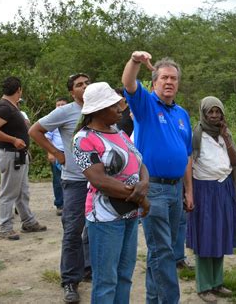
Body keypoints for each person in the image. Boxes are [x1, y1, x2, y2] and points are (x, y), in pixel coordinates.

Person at [122, 51, 194, 304]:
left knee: (165, 251)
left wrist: (188, 191)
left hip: (175, 191)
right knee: (162, 251)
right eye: (164, 77)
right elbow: (129, 84)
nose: (169, 82)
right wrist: (135, 61)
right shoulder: (145, 106)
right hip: (153, 190)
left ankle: (155, 300)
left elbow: (186, 157)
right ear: (154, 83)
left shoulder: (182, 114)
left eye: (173, 78)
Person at [73, 82, 151, 303]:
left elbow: (138, 160)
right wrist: (141, 198)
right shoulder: (83, 139)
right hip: (105, 218)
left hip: (129, 214)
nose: (120, 109)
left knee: (124, 276)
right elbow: (99, 180)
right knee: (106, 281)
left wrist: (144, 182)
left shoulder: (118, 131)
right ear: (98, 110)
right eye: (114, 106)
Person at [29, 73, 92, 303]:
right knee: (73, 230)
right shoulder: (66, 112)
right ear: (71, 92)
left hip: (99, 182)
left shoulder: (99, 108)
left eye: (87, 83)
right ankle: (69, 281)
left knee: (94, 228)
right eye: (79, 85)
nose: (85, 87)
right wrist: (57, 154)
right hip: (75, 181)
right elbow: (35, 130)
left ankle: (87, 268)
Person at [186, 96, 236, 303]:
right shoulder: (195, 135)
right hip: (204, 189)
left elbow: (235, 161)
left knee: (220, 234)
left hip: (224, 188)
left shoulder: (224, 134)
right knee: (205, 236)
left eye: (218, 112)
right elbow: (189, 164)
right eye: (211, 112)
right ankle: (204, 286)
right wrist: (188, 193)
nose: (215, 116)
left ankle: (217, 283)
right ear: (203, 113)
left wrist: (226, 138)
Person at [0, 76, 47, 240]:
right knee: (8, 193)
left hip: (17, 155)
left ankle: (28, 221)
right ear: (19, 89)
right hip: (11, 155)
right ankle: (5, 228)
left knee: (22, 192)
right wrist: (13, 140)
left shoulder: (11, 106)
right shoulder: (5, 108)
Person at [44, 97, 68, 216]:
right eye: (58, 105)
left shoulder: (71, 118)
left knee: (71, 180)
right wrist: (50, 153)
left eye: (62, 104)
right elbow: (47, 138)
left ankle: (69, 203)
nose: (60, 107)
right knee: (58, 181)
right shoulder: (52, 121)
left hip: (70, 154)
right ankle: (60, 204)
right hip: (57, 154)